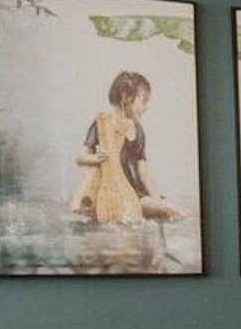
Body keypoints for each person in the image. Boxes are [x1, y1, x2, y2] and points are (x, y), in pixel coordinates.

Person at [74, 70, 185, 223]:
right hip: (111, 193)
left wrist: (156, 198)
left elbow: (143, 168)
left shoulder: (137, 129)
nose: (146, 107)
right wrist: (97, 159)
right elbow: (80, 158)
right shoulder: (102, 124)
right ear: (126, 97)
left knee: (171, 210)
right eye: (143, 101)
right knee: (171, 211)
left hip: (135, 194)